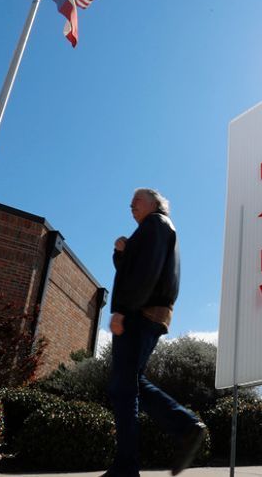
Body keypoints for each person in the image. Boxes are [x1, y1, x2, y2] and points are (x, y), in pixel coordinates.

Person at [102, 188, 206, 477]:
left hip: (141, 312)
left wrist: (123, 308)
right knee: (128, 383)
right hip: (148, 311)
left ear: (155, 204)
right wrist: (121, 253)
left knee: (124, 388)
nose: (131, 204)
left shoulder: (156, 224)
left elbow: (145, 272)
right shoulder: (152, 230)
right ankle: (185, 427)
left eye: (137, 199)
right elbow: (134, 269)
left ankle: (127, 466)